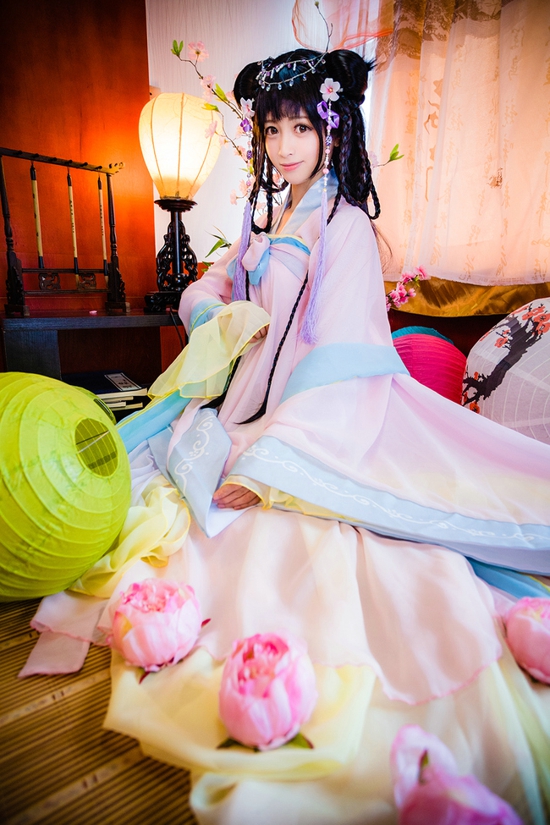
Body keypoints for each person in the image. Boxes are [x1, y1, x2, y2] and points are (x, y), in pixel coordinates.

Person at [25, 47, 550, 825]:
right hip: (255, 402)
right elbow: (224, 279)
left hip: (328, 416)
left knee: (268, 531)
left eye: (302, 127)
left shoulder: (346, 227)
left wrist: (276, 460)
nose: (284, 145)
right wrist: (211, 305)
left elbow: (342, 355)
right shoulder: (267, 214)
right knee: (171, 472)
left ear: (333, 129)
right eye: (272, 130)